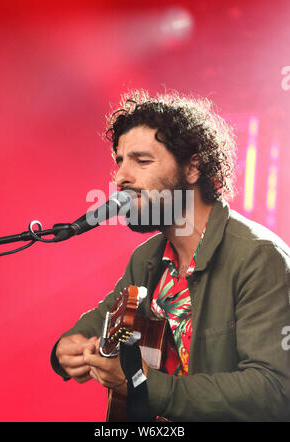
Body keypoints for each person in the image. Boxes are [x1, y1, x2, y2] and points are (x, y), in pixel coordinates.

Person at [51, 90, 290, 421]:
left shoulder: (258, 257)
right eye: (120, 161)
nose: (120, 177)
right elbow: (106, 318)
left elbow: (273, 389)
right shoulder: (148, 258)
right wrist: (69, 346)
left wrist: (142, 385)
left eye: (142, 160)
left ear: (193, 168)